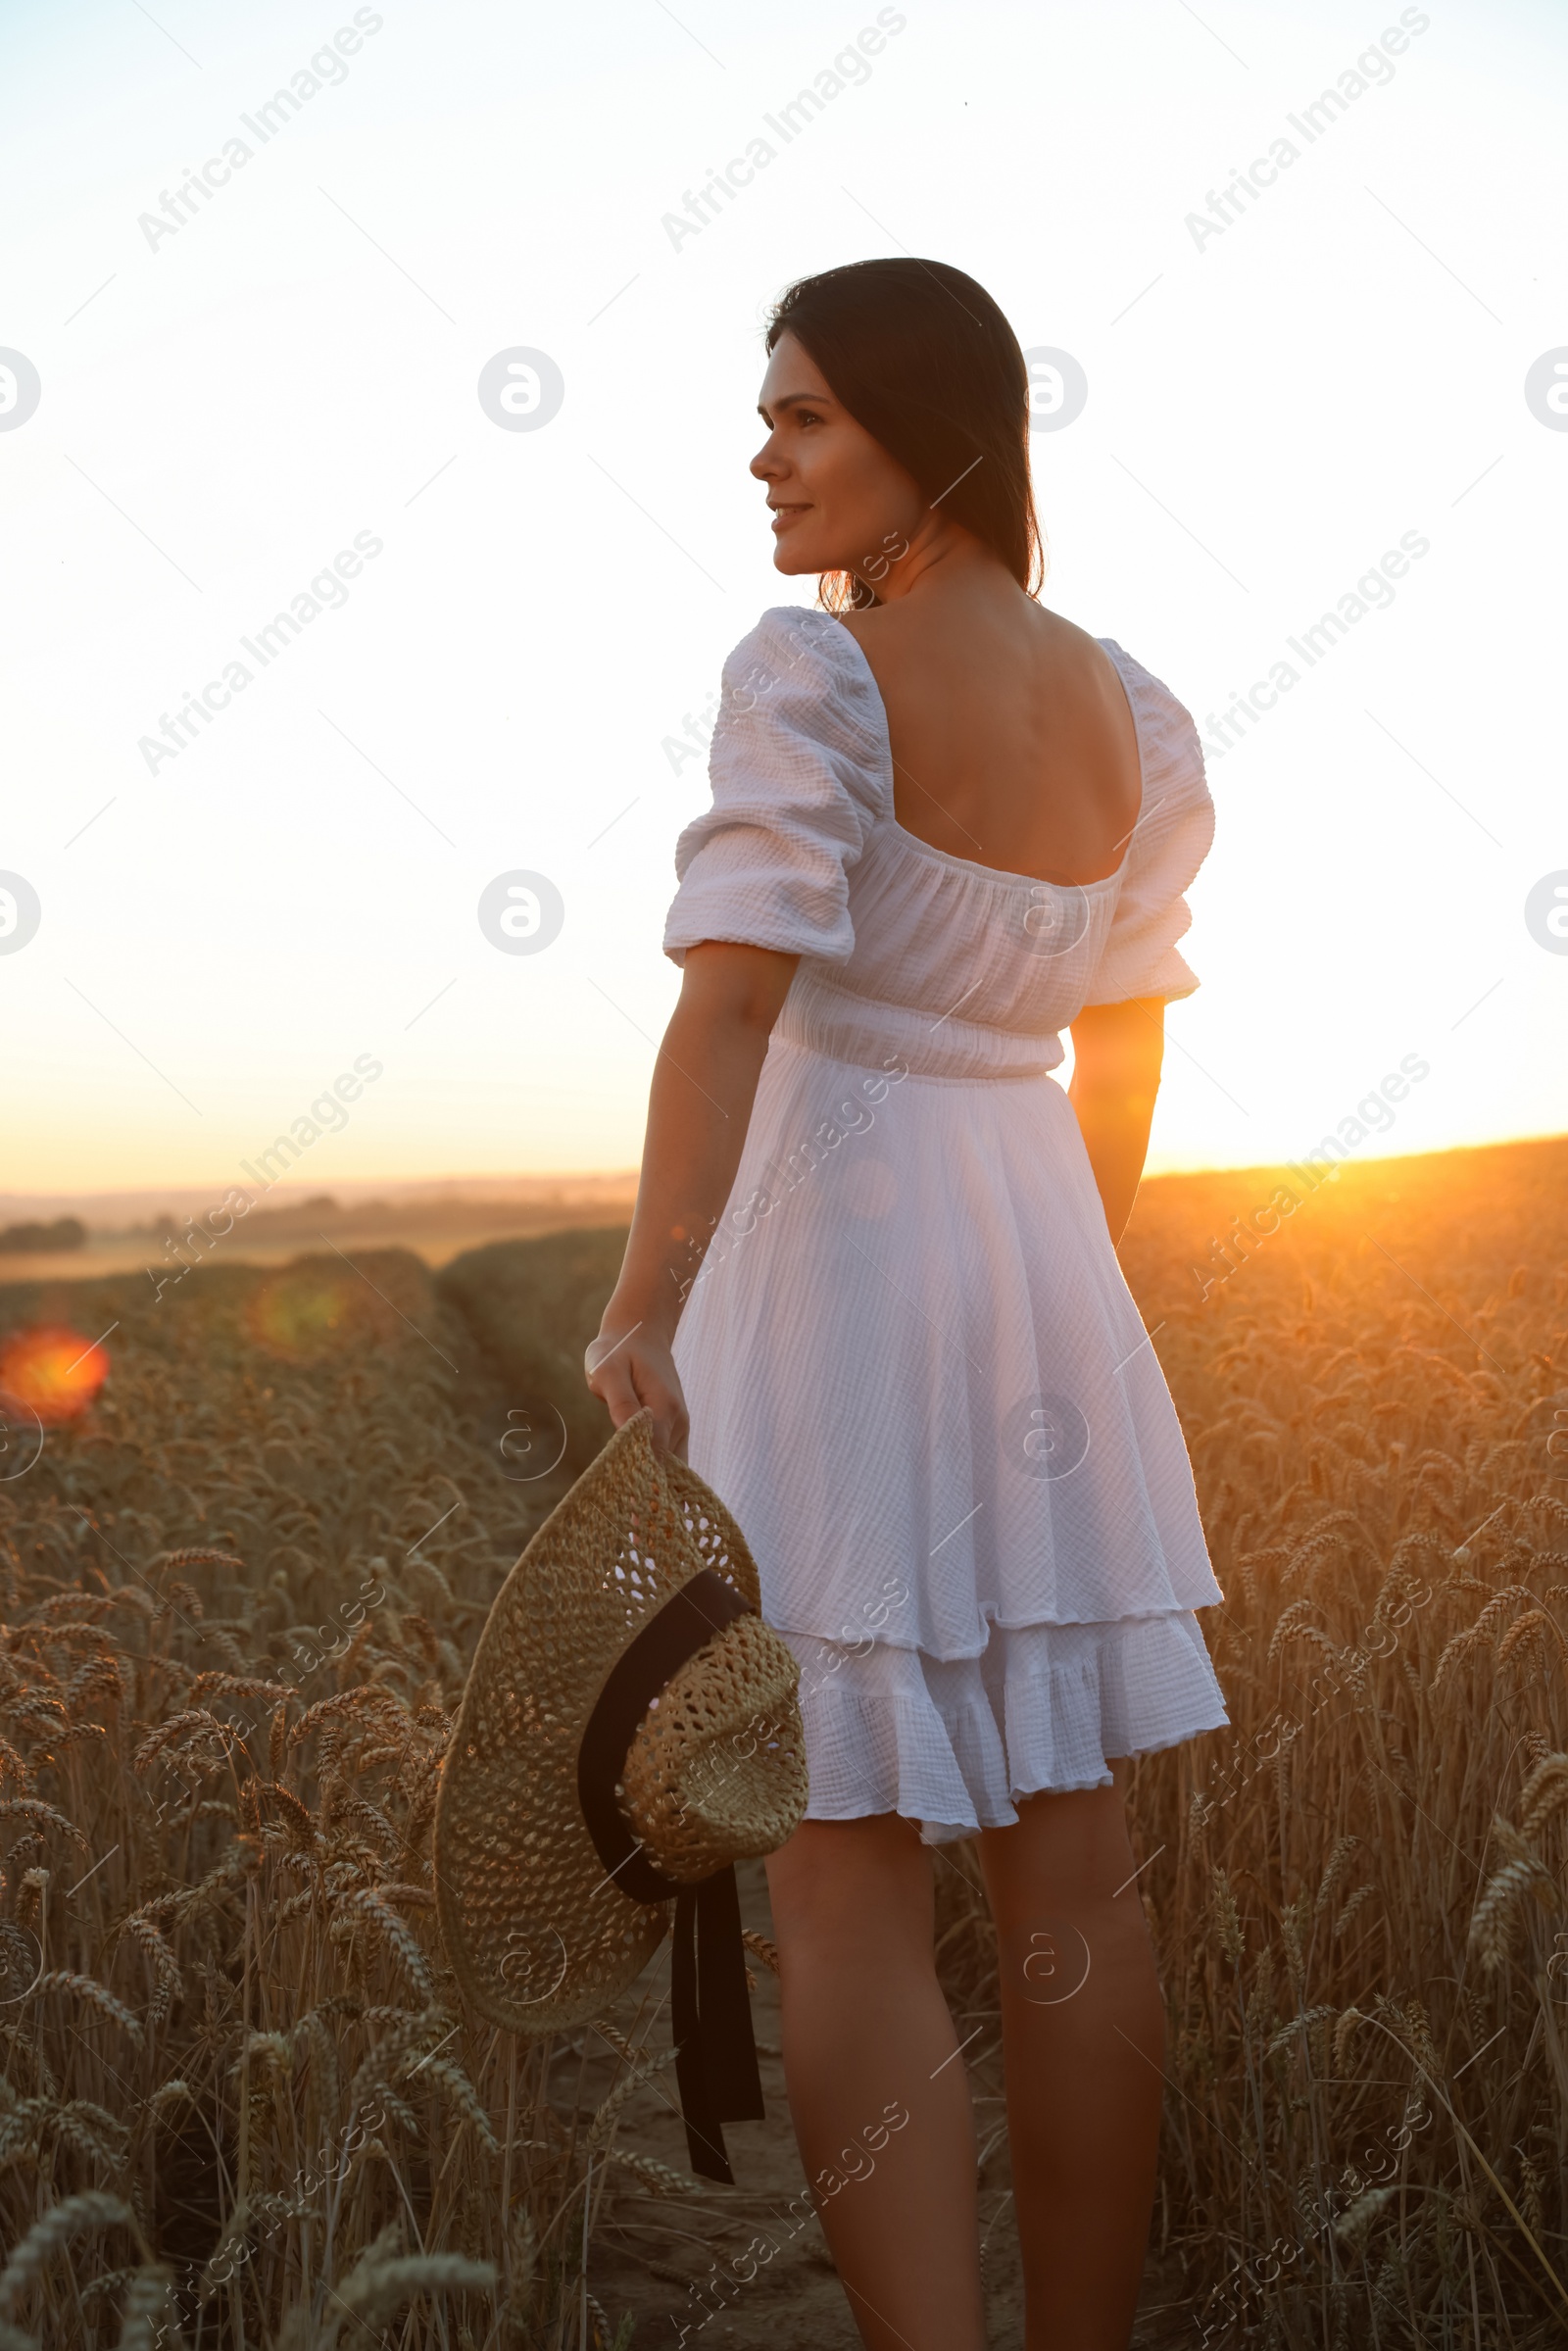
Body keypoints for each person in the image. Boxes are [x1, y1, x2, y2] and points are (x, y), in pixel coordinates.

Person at [585, 257, 1229, 2351]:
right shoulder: (1130, 710)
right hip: (1038, 1245)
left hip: (834, 1257)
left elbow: (733, 1009)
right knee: (1072, 1858)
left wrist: (637, 1307)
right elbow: (1120, 1062)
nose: (760, 456)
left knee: (837, 1853)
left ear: (925, 438)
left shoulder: (810, 669)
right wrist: (1049, 1281)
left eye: (801, 416)